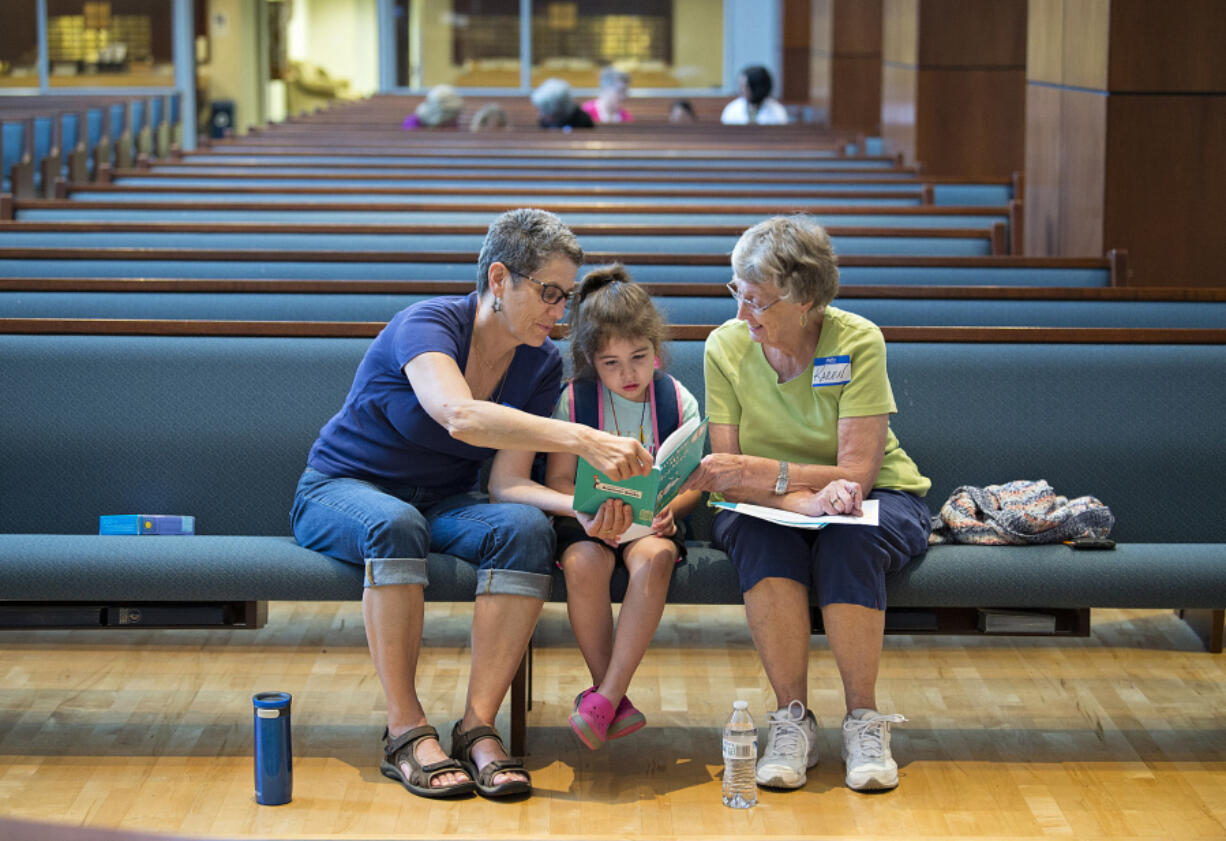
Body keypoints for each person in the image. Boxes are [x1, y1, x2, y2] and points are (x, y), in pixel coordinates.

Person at [290, 209, 652, 800]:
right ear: (501, 279)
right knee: (394, 524)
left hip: (444, 503)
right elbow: (458, 416)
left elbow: (507, 483)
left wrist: (578, 510)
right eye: (550, 293)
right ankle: (405, 731)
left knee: (524, 530)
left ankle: (477, 725)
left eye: (566, 298)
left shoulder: (537, 362)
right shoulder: (428, 324)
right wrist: (585, 438)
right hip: (341, 489)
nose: (560, 313)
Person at [681, 215, 931, 793]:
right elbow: (725, 471)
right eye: (737, 296)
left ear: (807, 300)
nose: (743, 315)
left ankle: (864, 721)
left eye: (758, 303)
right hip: (769, 506)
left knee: (849, 534)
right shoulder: (725, 345)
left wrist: (778, 478)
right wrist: (797, 497)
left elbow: (858, 472)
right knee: (757, 535)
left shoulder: (857, 340)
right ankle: (791, 720)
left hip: (875, 495)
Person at [542, 265, 702, 750]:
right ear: (591, 359)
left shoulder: (676, 398)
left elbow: (695, 480)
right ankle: (612, 697)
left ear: (656, 349)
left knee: (655, 559)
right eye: (611, 363)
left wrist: (674, 506)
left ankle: (606, 695)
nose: (628, 373)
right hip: (587, 523)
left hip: (650, 524)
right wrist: (591, 513)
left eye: (638, 356)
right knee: (583, 562)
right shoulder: (573, 400)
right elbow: (558, 481)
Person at [720, 65, 788, 125]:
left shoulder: (777, 112)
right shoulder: (732, 110)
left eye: (745, 86)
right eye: (740, 86)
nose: (740, 90)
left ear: (757, 88)